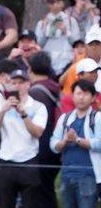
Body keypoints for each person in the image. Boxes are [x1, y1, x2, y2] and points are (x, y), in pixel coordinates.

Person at [0, 69, 47, 208]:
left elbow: (37, 132)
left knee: (31, 203)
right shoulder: (2, 105)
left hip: (28, 160)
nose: (17, 86)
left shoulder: (38, 107)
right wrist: (3, 110)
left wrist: (23, 114)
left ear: (28, 84)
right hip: (6, 161)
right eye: (13, 83)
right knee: (6, 203)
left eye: (21, 83)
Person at [51, 80, 101, 208]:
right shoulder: (65, 118)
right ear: (72, 96)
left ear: (93, 97)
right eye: (78, 93)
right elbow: (53, 144)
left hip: (88, 176)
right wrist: (65, 141)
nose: (81, 97)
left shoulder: (97, 118)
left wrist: (77, 140)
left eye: (85, 94)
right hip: (66, 175)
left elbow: (99, 143)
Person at [27, 51, 62, 208]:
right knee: (47, 191)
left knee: (41, 194)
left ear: (30, 69)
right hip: (54, 146)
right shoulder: (55, 87)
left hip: (40, 148)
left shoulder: (35, 92)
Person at [35, 0, 80, 74]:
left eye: (58, 2)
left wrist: (66, 31)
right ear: (48, 4)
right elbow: (39, 44)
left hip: (66, 60)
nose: (55, 5)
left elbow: (76, 43)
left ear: (63, 3)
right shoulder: (42, 23)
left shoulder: (71, 21)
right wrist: (44, 30)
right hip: (48, 62)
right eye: (52, 3)